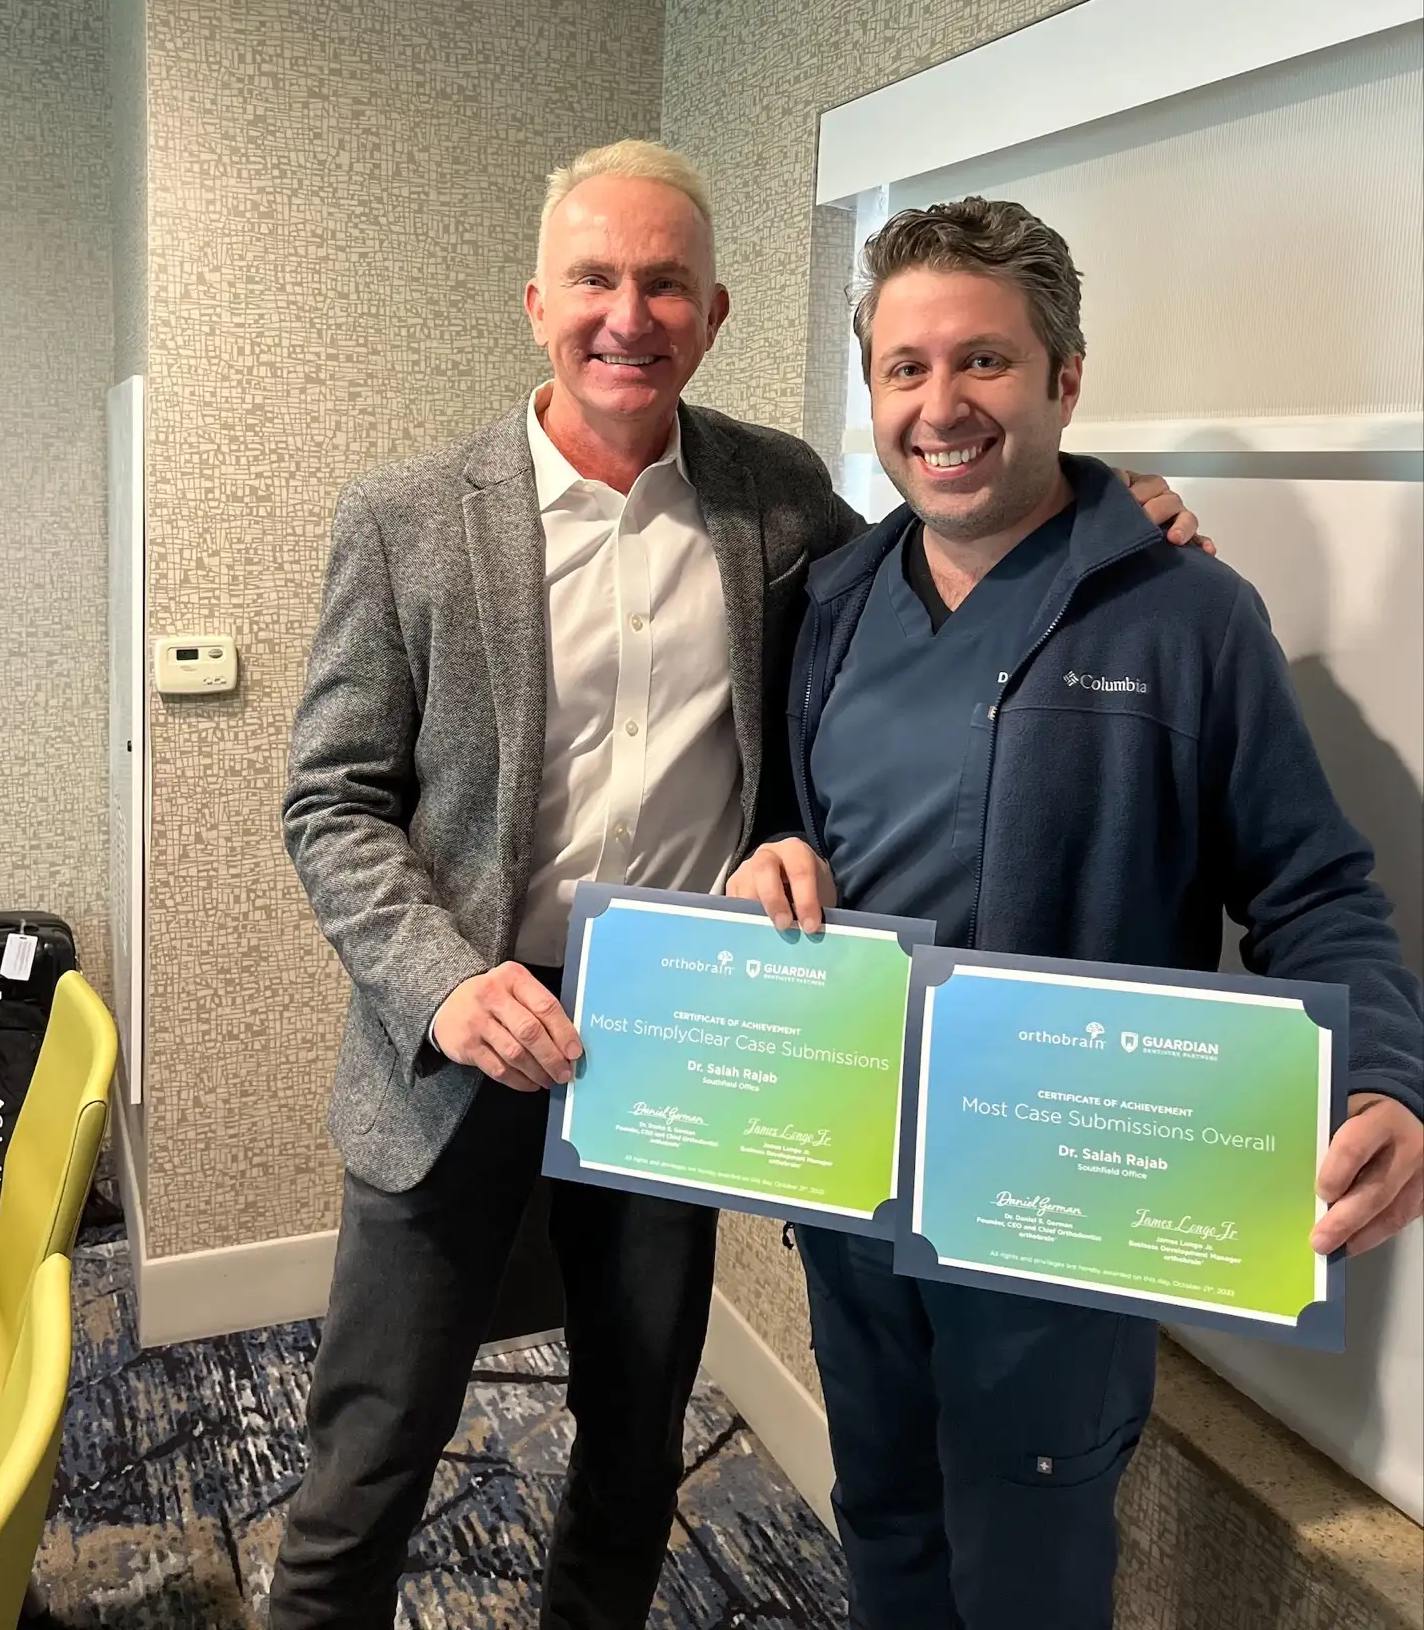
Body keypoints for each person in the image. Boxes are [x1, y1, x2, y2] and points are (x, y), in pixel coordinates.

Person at [268, 144, 1204, 1629]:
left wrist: (1107, 512)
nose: (626, 315)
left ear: (712, 313)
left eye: (662, 284)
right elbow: (329, 800)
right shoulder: (406, 518)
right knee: (370, 1454)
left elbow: (952, 527)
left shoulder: (776, 500)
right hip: (454, 1045)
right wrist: (444, 987)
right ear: (536, 302)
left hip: (681, 1043)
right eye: (594, 280)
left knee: (637, 1444)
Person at [728, 196, 1424, 1630]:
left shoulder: (1186, 618)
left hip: (1058, 1221)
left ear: (1066, 378)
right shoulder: (837, 600)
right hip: (853, 1194)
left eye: (984, 361)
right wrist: (773, 854)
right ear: (870, 394)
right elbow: (803, 820)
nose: (942, 405)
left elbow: (1315, 890)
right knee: (888, 1534)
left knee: (1031, 1579)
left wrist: (1386, 1078)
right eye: (905, 370)